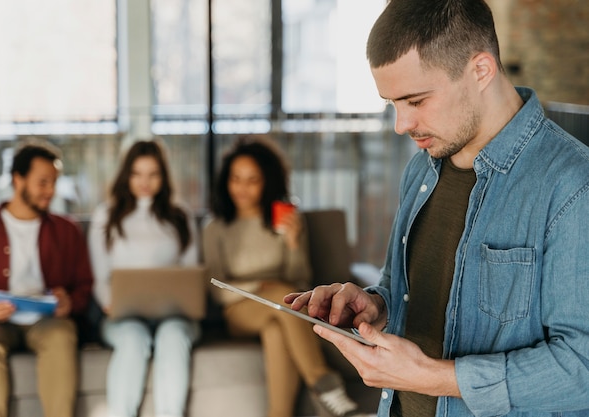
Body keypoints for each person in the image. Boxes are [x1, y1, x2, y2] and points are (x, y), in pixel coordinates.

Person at [285, 0, 589, 416]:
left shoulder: (572, 184)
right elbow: (404, 290)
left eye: (415, 100)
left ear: (480, 70)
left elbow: (582, 368)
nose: (400, 125)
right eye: (392, 103)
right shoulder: (421, 170)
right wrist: (375, 305)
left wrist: (433, 377)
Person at [202, 135, 366, 417]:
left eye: (252, 180)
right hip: (239, 311)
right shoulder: (216, 228)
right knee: (280, 294)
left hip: (282, 308)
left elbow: (300, 283)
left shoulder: (288, 219)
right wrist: (262, 286)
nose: (241, 188)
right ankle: (324, 383)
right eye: (236, 178)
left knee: (277, 328)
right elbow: (218, 290)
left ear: (267, 182)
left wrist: (292, 243)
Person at [0, 142, 93, 417]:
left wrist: (71, 302)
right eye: (42, 182)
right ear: (17, 179)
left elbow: (84, 285)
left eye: (54, 183)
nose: (50, 191)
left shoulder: (68, 231)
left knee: (62, 334)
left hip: (47, 322)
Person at [87, 139, 200, 417]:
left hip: (175, 315)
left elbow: (191, 273)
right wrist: (109, 303)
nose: (144, 182)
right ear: (126, 175)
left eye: (153, 174)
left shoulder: (180, 215)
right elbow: (100, 278)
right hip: (122, 316)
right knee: (133, 339)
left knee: (172, 336)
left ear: (163, 176)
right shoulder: (106, 217)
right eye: (137, 173)